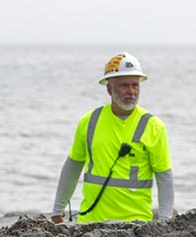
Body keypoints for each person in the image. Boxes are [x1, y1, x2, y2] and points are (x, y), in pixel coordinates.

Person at [51, 52, 174, 224]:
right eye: (124, 85)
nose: (131, 92)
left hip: (136, 225)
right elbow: (73, 166)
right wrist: (58, 211)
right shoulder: (89, 121)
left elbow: (164, 176)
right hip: (90, 223)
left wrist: (165, 221)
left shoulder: (154, 126)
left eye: (135, 85)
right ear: (109, 88)